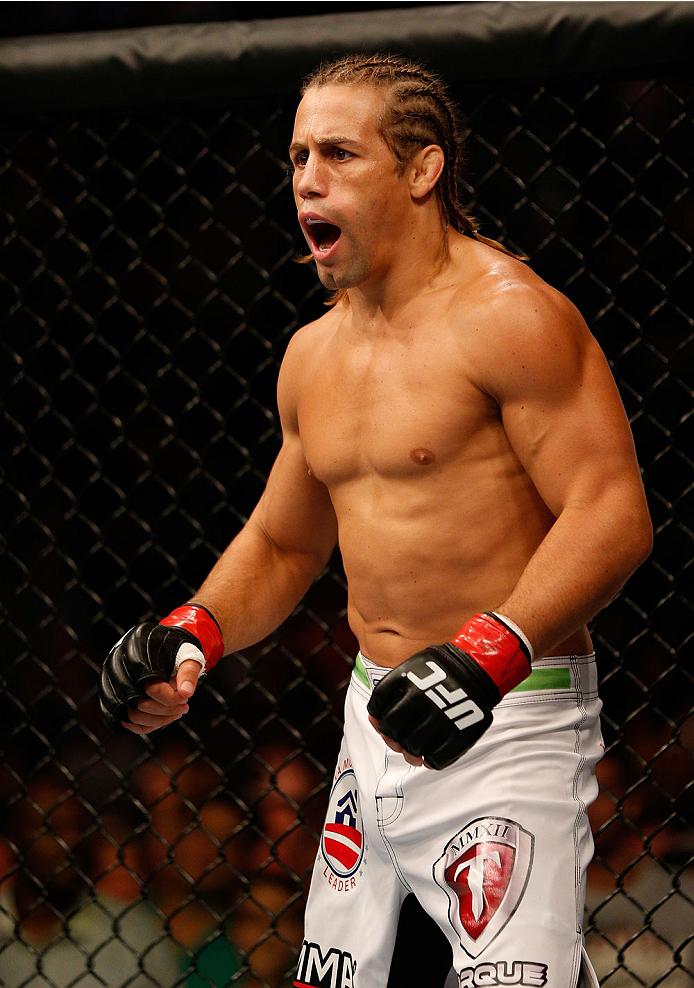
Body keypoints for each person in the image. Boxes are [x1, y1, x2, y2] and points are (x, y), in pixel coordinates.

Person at [99, 53, 653, 988]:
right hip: (374, 719)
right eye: (297, 156)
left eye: (340, 155)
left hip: (511, 713)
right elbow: (284, 541)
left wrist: (488, 653)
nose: (308, 179)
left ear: (422, 170)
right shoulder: (312, 354)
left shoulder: (511, 316)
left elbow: (612, 512)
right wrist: (194, 633)